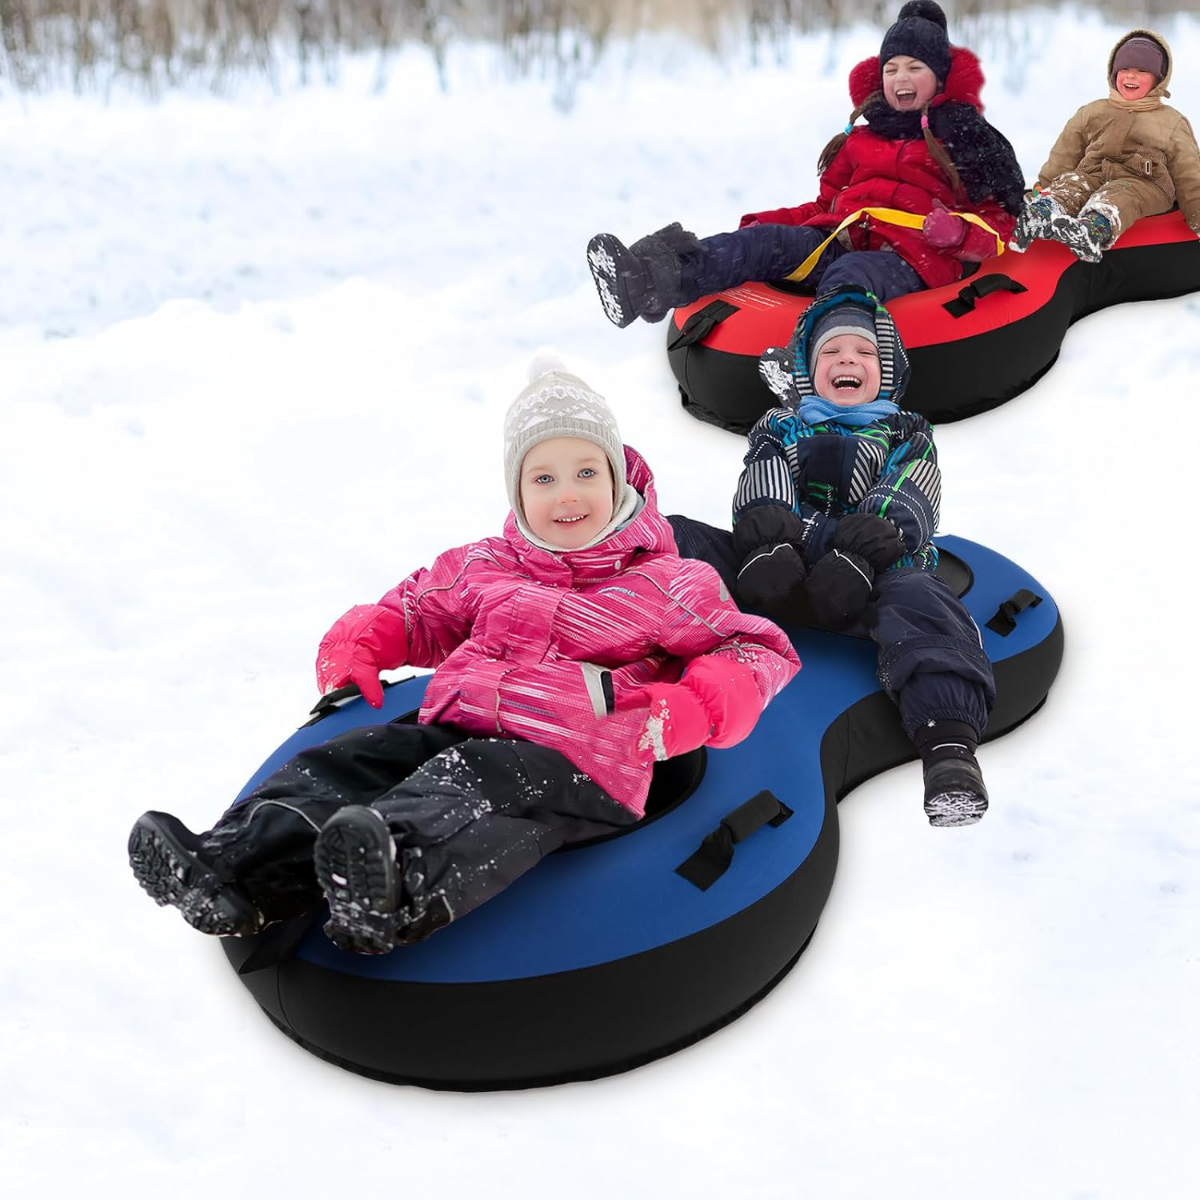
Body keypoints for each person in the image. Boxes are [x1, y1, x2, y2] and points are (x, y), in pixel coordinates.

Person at [128, 358, 799, 953]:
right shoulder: (486, 564)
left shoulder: (666, 582)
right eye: (544, 477)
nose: (567, 493)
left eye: (586, 471)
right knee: (352, 760)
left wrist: (685, 705)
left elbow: (756, 650)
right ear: (517, 492)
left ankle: (388, 881)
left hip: (579, 760)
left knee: (474, 781)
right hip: (458, 724)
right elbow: (415, 609)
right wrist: (362, 643)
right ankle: (232, 868)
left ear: (619, 480)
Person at [668, 287, 994, 828]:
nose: (848, 360)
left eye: (865, 354)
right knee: (679, 537)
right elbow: (762, 480)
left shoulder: (905, 432)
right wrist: (766, 543)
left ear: (886, 372)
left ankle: (948, 748)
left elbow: (910, 494)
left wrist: (861, 553)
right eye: (831, 353)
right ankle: (616, 618)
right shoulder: (780, 427)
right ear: (807, 373)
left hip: (875, 567)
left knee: (922, 598)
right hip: (780, 563)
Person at [586, 0, 1024, 328]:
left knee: (849, 274)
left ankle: (817, 360)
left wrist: (957, 232)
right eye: (891, 69)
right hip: (842, 238)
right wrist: (770, 225)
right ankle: (646, 281)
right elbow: (828, 207)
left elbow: (999, 219)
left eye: (915, 67)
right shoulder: (861, 139)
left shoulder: (962, 141)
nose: (901, 79)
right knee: (767, 243)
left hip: (911, 257)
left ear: (940, 77)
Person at [1008, 29, 1200, 263]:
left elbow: (1189, 172)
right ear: (1113, 73)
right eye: (1125, 70)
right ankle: (1043, 212)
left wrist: (1197, 215)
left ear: (1159, 80)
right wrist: (1047, 184)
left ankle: (1092, 229)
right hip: (1095, 173)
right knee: (1073, 184)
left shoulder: (1171, 121)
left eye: (1141, 71)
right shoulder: (1094, 111)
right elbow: (1066, 151)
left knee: (1119, 195)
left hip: (1146, 183)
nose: (1131, 77)